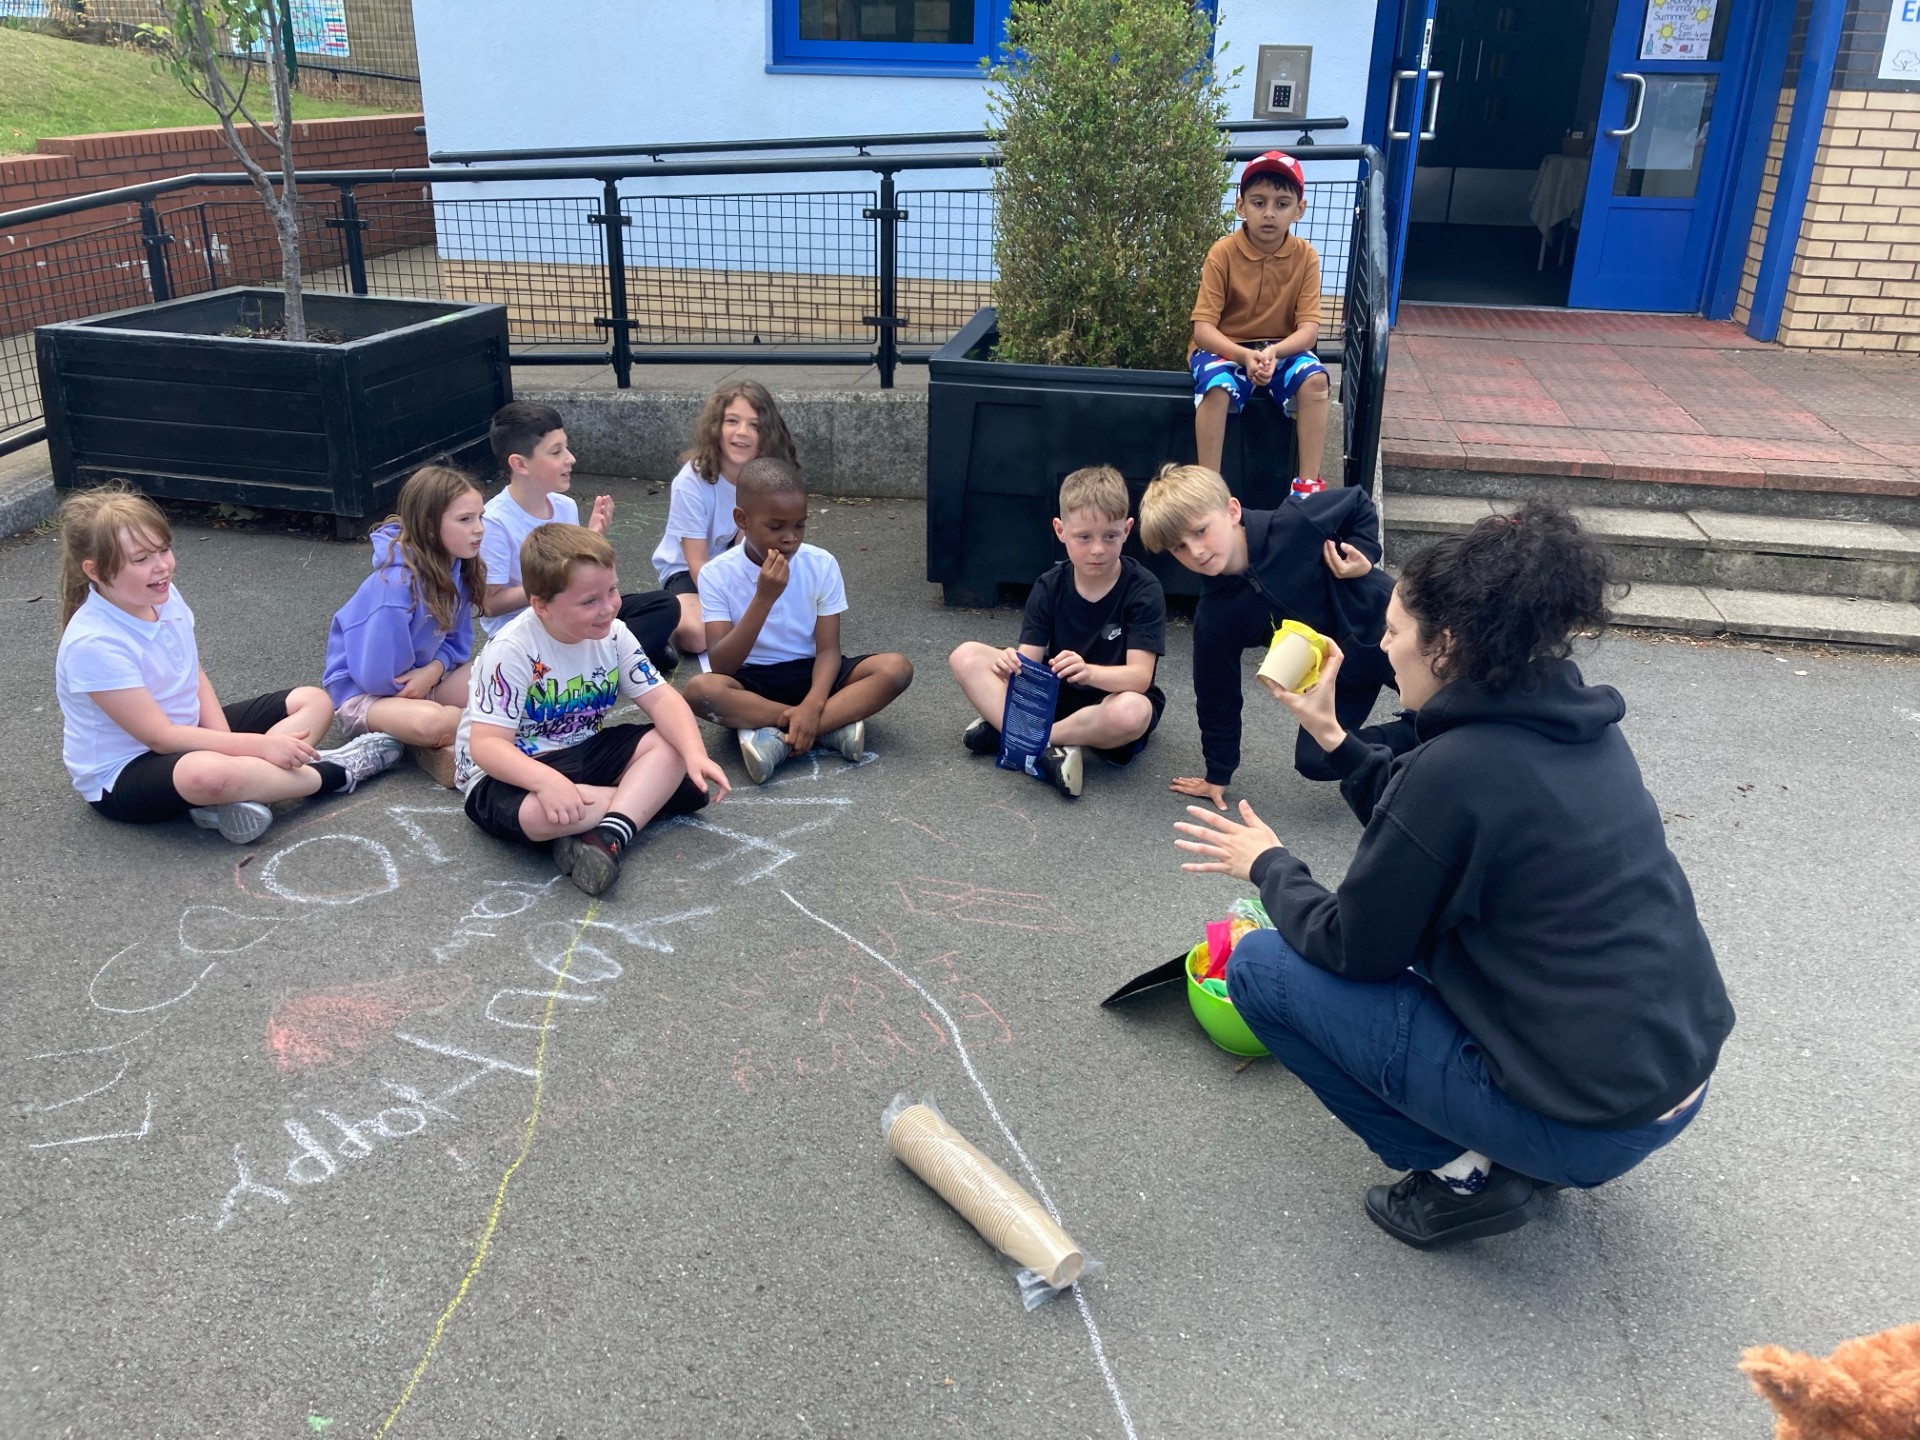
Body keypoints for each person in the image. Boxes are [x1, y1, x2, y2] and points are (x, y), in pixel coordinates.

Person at [1172, 504, 1734, 1249]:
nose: (1381, 643)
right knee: (1424, 941)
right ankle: (1513, 1136)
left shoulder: (1459, 770)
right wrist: (1333, 736)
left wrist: (1269, 864)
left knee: (1264, 969)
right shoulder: (1570, 723)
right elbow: (1430, 827)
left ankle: (1460, 1176)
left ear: (1448, 646)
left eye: (1397, 631)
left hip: (1589, 1123)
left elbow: (1352, 947)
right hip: (1666, 1078)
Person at [55, 484, 402, 845]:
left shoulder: (160, 593)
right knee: (205, 774)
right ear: (94, 570)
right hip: (126, 772)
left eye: (163, 549)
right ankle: (335, 772)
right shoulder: (93, 643)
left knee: (312, 701)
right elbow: (160, 738)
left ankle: (232, 795)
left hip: (187, 735)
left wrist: (230, 742)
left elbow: (193, 673)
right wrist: (257, 746)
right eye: (140, 559)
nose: (161, 566)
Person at [454, 523, 728, 897]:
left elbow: (662, 698)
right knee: (538, 814)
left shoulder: (614, 634)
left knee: (671, 746)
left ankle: (608, 833)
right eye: (589, 601)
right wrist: (546, 782)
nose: (609, 607)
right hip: (508, 772)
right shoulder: (511, 650)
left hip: (582, 748)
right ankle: (640, 803)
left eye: (612, 590)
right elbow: (486, 746)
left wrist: (695, 753)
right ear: (542, 606)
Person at [1138, 462, 1394, 808]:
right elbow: (1217, 695)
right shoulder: (1216, 615)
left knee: (1454, 701)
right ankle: (1420, 741)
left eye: (1200, 531)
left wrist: (1364, 552)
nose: (1195, 551)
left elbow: (1357, 501)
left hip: (1391, 631)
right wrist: (1218, 773)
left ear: (1231, 510)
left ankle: (1442, 729)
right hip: (1339, 675)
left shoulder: (1293, 523)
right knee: (1316, 759)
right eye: (1178, 547)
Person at [683, 457, 913, 785]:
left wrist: (814, 702)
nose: (790, 538)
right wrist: (764, 598)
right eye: (776, 527)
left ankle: (784, 733)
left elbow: (828, 650)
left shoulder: (822, 564)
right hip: (753, 680)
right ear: (742, 519)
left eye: (800, 525)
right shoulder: (717, 574)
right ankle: (827, 726)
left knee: (896, 668)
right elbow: (721, 664)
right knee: (699, 690)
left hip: (814, 673)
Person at [947, 464, 1166, 798]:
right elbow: (1030, 667)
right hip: (1055, 692)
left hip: (1110, 698)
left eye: (1110, 535)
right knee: (965, 656)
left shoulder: (1144, 589)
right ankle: (1045, 746)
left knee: (1133, 713)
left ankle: (1020, 737)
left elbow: (1139, 678)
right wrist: (1011, 664)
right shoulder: (1049, 585)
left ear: (1127, 529)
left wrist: (1089, 672)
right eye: (1084, 537)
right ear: (1060, 530)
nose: (1097, 549)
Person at [477, 400, 680, 671]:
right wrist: (551, 583)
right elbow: (490, 605)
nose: (570, 458)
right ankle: (621, 658)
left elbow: (578, 577)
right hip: (529, 632)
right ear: (520, 464)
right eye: (556, 452)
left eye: (566, 447)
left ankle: (608, 660)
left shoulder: (564, 506)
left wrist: (592, 538)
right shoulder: (495, 522)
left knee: (663, 604)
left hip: (574, 614)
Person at [321, 463, 485, 788]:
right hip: (369, 696)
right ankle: (461, 731)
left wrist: (433, 671)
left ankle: (416, 737)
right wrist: (423, 690)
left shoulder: (460, 567)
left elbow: (457, 646)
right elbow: (375, 677)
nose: (479, 528)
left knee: (500, 676)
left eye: (481, 517)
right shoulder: (394, 586)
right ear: (428, 526)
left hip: (424, 681)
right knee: (432, 723)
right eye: (465, 520)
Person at [1189, 149, 1330, 492]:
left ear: (1299, 209)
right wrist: (1244, 356)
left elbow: (1308, 332)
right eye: (1258, 202)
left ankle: (1307, 485)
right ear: (1240, 206)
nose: (1269, 213)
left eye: (1282, 204)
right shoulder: (1222, 252)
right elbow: (1203, 330)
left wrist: (1273, 353)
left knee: (1315, 381)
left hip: (1280, 348)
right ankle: (1210, 487)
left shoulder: (1306, 256)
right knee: (1216, 386)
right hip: (1227, 347)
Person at [649, 379, 798, 658]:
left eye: (754, 425)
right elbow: (697, 563)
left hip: (733, 563)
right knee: (695, 635)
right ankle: (667, 622)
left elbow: (755, 545)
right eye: (732, 421)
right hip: (689, 572)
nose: (742, 432)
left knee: (794, 614)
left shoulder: (764, 478)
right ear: (716, 427)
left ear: (767, 434)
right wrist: (734, 605)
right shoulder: (691, 480)